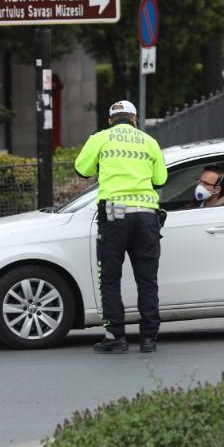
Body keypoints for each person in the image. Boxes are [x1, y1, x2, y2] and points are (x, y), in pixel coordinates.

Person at [75, 100, 168, 354]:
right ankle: (149, 339)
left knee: (111, 280)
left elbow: (81, 169)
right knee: (147, 280)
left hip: (114, 217)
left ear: (110, 120)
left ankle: (116, 337)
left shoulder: (100, 139)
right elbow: (160, 179)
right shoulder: (149, 142)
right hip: (147, 216)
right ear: (135, 119)